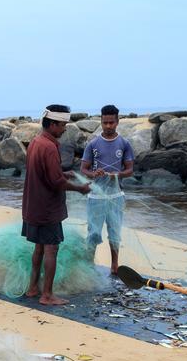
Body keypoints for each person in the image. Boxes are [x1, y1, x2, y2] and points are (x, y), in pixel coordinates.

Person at [21, 104, 91, 305]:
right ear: (52, 124)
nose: (64, 129)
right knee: (52, 249)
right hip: (47, 209)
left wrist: (63, 172)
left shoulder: (35, 142)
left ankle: (33, 288)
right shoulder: (50, 147)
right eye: (62, 125)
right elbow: (55, 182)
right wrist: (79, 188)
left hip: (33, 206)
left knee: (39, 248)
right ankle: (47, 295)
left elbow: (46, 173)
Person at [80, 104, 134, 275]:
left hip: (116, 195)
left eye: (111, 123)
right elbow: (84, 169)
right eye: (105, 123)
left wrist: (116, 175)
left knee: (115, 231)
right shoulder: (93, 144)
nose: (108, 126)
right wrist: (94, 173)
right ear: (101, 122)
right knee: (93, 232)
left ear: (117, 122)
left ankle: (115, 265)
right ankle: (89, 264)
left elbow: (129, 169)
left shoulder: (124, 144)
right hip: (96, 196)